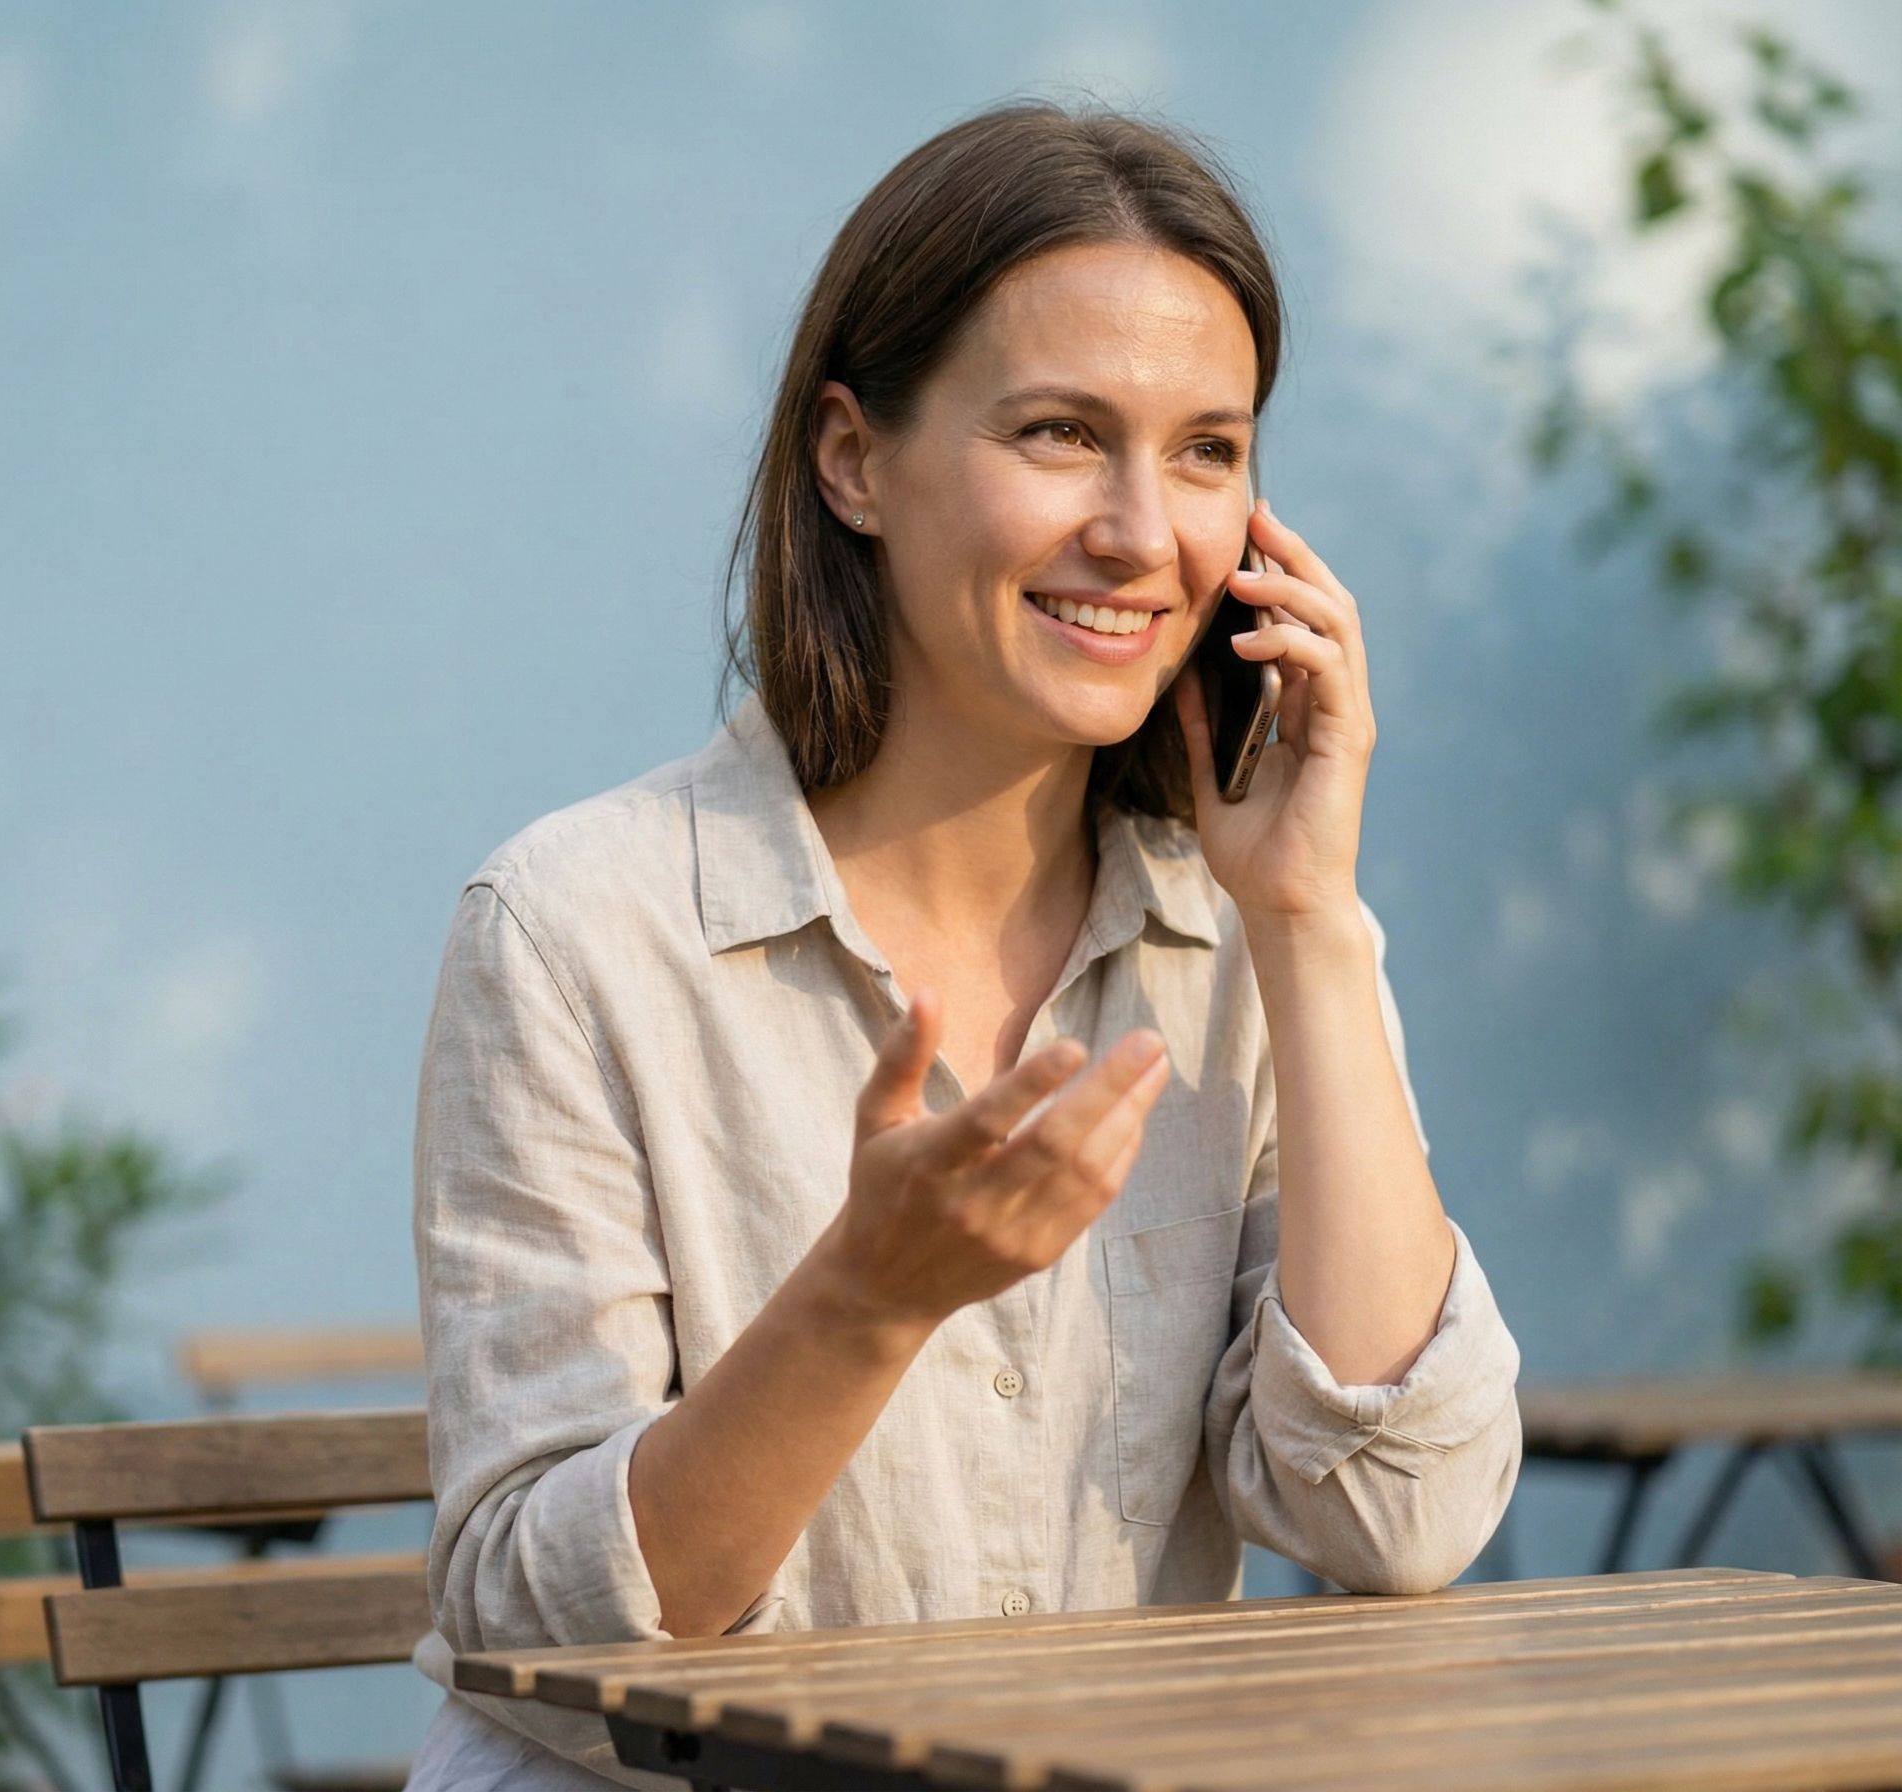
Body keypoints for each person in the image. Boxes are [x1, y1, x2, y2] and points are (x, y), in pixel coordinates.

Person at [403, 98, 1522, 1791]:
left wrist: (1304, 916)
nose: (1144, 532)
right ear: (853, 459)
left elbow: (1401, 1514)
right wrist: (867, 1298)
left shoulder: (1240, 939)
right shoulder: (574, 928)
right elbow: (536, 1628)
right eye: (1064, 434)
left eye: (1210, 449)